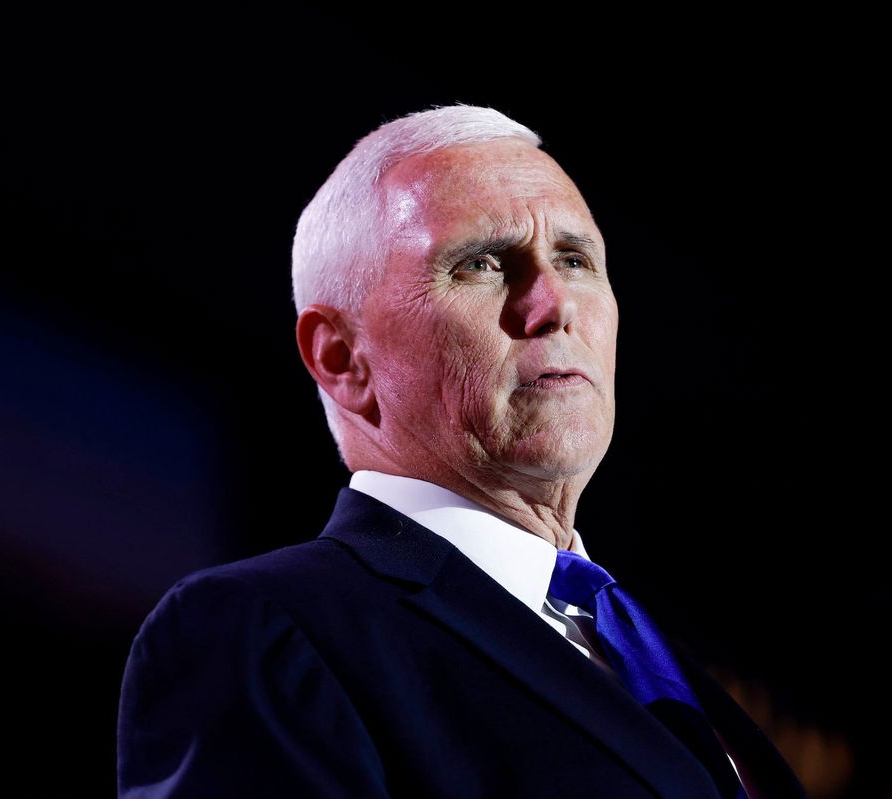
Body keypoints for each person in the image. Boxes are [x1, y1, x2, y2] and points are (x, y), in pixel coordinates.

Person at [116, 105, 806, 798]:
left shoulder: (653, 654)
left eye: (574, 258)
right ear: (342, 358)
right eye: (480, 263)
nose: (553, 303)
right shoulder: (270, 629)